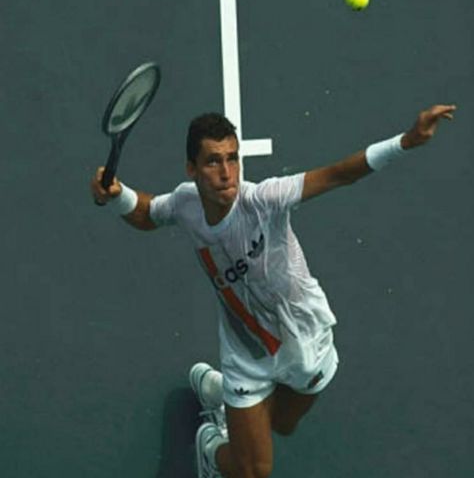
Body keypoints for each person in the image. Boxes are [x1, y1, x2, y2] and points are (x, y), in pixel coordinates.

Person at [90, 103, 456, 478]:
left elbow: (339, 175)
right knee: (253, 472)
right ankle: (210, 446)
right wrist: (117, 195)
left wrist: (406, 141)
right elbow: (148, 213)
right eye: (213, 162)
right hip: (245, 349)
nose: (227, 173)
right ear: (192, 169)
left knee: (281, 423)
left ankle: (219, 394)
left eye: (233, 159)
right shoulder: (187, 203)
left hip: (303, 335)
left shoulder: (265, 200)